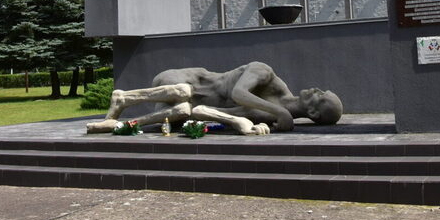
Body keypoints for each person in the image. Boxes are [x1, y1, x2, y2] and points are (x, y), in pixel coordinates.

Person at [86, 61, 343, 135]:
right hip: (185, 81)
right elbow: (237, 94)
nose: (316, 89)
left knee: (184, 111)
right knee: (182, 93)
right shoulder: (267, 74)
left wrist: (259, 126)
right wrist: (281, 114)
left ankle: (122, 124)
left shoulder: (269, 115)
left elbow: (224, 114)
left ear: (314, 114)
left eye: (321, 97)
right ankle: (123, 98)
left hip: (191, 106)